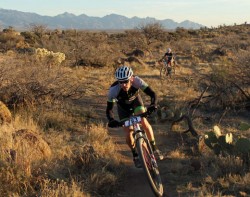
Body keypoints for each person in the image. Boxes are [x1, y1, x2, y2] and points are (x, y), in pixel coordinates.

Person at [106, 65, 164, 168]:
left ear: (131, 78)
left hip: (136, 103)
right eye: (121, 82)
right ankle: (135, 155)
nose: (124, 85)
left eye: (126, 81)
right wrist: (111, 120)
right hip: (123, 109)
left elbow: (152, 93)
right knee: (128, 133)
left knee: (144, 122)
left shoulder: (137, 81)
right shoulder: (113, 90)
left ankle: (155, 149)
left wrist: (153, 104)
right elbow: (109, 109)